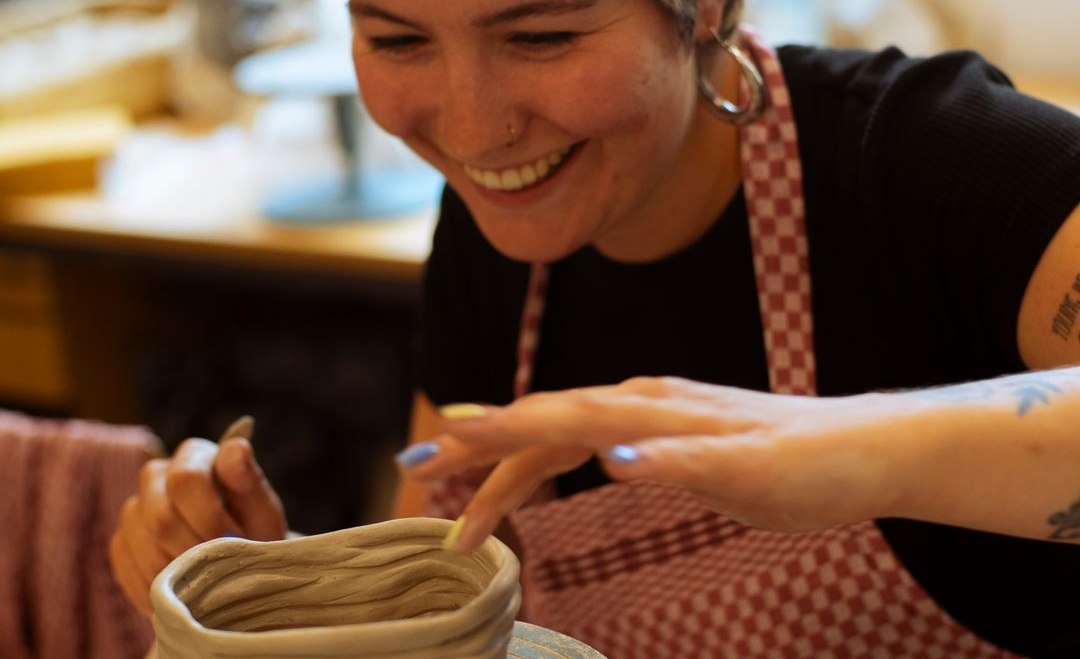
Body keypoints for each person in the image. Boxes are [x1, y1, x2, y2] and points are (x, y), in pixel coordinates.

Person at [110, 0, 1080, 655]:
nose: (475, 128)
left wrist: (856, 445)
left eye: (541, 37)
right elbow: (445, 570)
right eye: (400, 40)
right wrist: (298, 589)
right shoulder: (499, 223)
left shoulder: (931, 158)